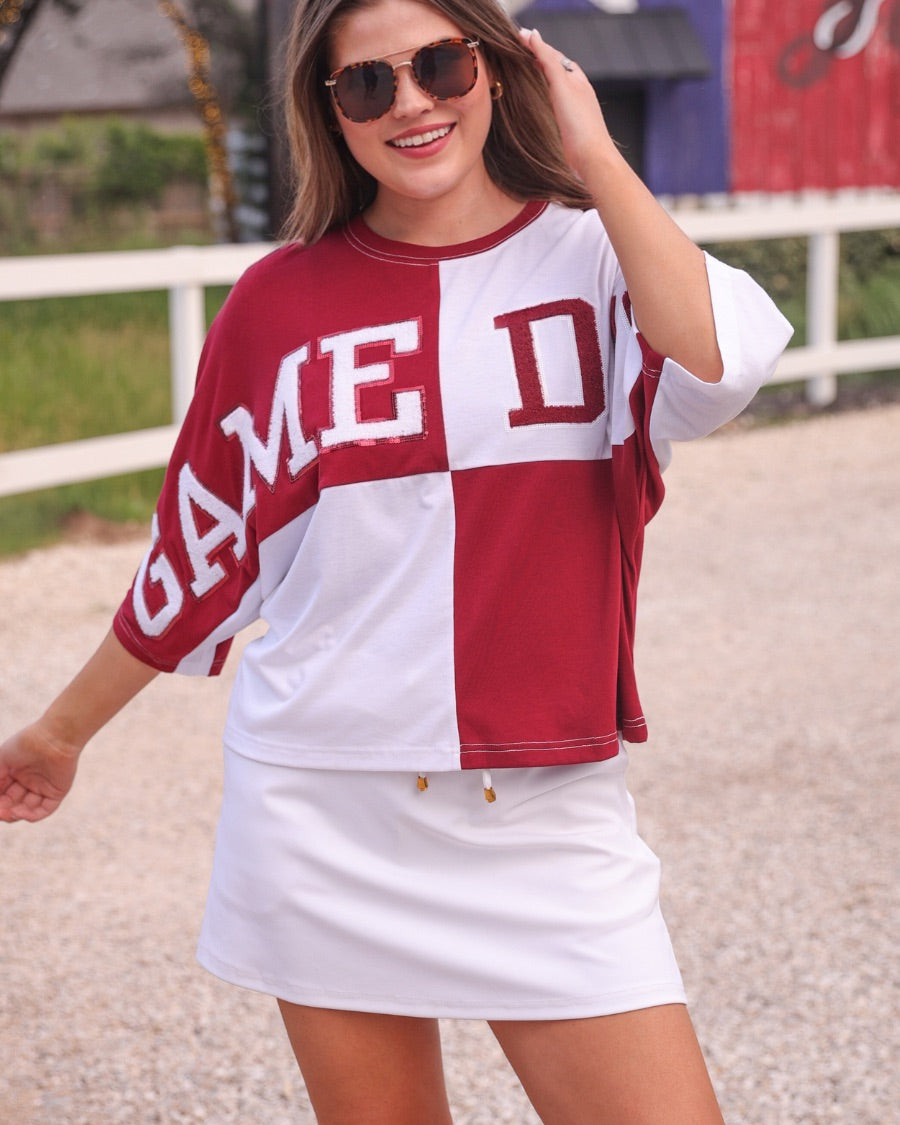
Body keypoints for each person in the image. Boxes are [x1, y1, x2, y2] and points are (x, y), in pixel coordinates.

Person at [0, 0, 793, 1121]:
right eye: (368, 83)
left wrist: (593, 153)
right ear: (331, 112)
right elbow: (198, 560)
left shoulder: (597, 257)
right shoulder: (281, 302)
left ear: (497, 66)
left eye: (440, 64)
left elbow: (717, 365)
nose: (411, 102)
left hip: (543, 810)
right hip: (324, 809)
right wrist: (57, 733)